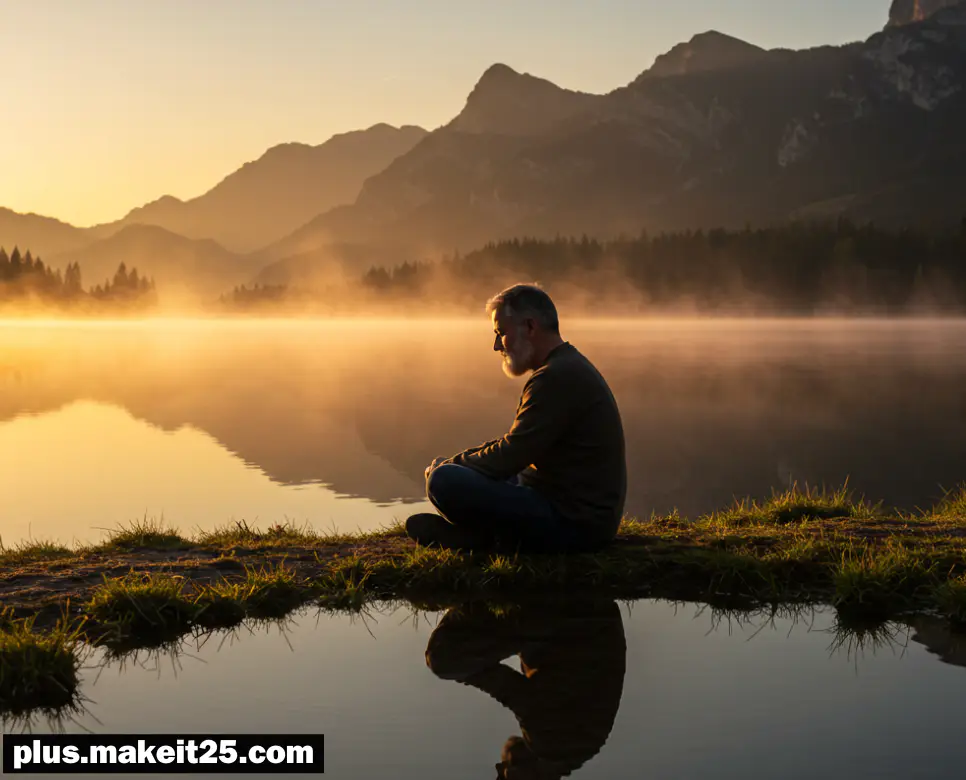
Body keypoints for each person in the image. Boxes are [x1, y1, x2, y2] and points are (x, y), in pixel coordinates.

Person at [406, 283, 626, 553]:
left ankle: (485, 539)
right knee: (470, 475)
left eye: (501, 333)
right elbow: (518, 447)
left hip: (576, 524)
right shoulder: (565, 366)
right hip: (572, 507)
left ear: (530, 327)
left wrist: (450, 466)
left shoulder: (555, 377)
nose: (497, 345)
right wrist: (462, 464)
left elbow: (511, 454)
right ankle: (482, 536)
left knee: (444, 481)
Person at [424, 599, 627, 779]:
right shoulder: (554, 745)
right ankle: (465, 593)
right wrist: (464, 671)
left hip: (586, 616)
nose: (500, 767)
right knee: (442, 658)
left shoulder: (577, 747)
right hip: (568, 618)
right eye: (504, 778)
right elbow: (505, 687)